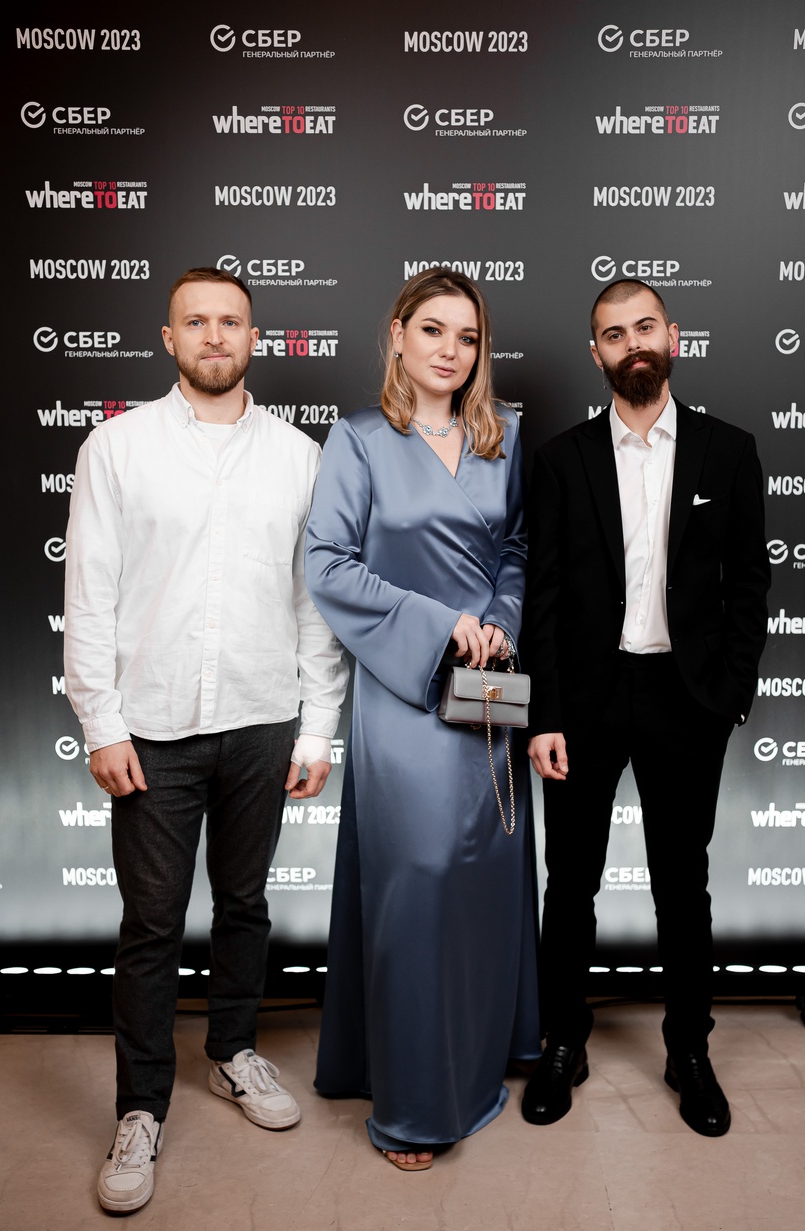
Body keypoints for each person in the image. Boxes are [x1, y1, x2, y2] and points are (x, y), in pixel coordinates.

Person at [64, 266, 348, 1212]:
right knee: (150, 925)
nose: (215, 335)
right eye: (197, 321)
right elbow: (88, 595)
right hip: (152, 728)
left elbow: (314, 605)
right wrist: (101, 723)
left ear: (254, 338)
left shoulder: (300, 456)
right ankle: (140, 1106)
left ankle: (232, 1051)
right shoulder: (115, 448)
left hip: (263, 719)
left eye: (231, 321)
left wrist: (318, 728)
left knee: (244, 903)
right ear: (169, 337)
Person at [304, 267, 541, 1170]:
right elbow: (329, 563)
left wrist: (502, 621)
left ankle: (483, 1051)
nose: (451, 350)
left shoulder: (503, 433)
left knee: (489, 872)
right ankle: (413, 1104)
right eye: (433, 330)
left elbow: (517, 547)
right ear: (398, 334)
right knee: (419, 880)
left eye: (467, 336)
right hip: (405, 692)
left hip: (488, 687)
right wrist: (443, 624)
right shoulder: (360, 438)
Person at [522, 279, 770, 1137]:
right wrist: (544, 715)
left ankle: (688, 1051)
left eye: (645, 327)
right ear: (595, 352)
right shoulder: (561, 459)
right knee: (570, 884)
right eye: (613, 333)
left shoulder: (727, 450)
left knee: (682, 886)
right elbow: (543, 599)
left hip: (687, 698)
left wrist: (728, 694)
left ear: (674, 337)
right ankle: (564, 1043)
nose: (632, 343)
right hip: (585, 701)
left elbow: (749, 583)